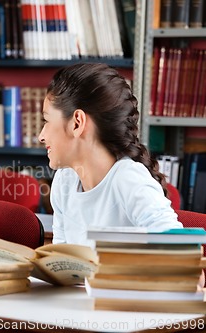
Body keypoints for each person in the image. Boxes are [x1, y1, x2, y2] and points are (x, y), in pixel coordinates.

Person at [38, 63, 183, 246]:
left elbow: (183, 257)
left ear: (77, 123)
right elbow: (62, 264)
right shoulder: (64, 181)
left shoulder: (128, 178)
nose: (41, 136)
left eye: (47, 121)